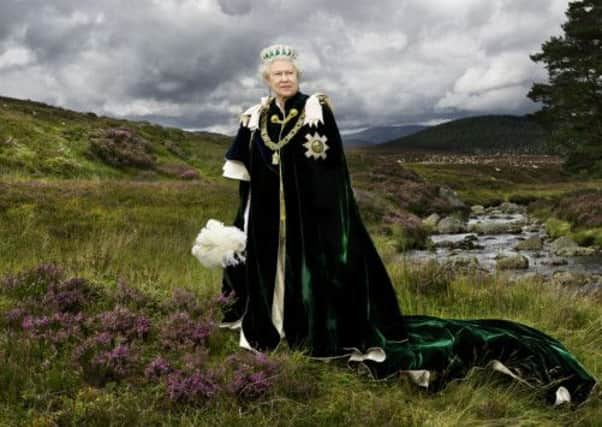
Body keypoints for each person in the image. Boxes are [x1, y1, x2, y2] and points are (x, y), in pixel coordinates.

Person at [217, 44, 596, 405]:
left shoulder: (316, 109)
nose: (285, 78)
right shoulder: (258, 116)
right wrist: (245, 220)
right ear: (267, 79)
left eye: (290, 72)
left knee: (315, 275)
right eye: (278, 74)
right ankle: (277, 330)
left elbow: (331, 172)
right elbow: (248, 173)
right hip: (269, 221)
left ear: (298, 75)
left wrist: (329, 223)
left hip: (312, 221)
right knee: (277, 273)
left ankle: (318, 337)